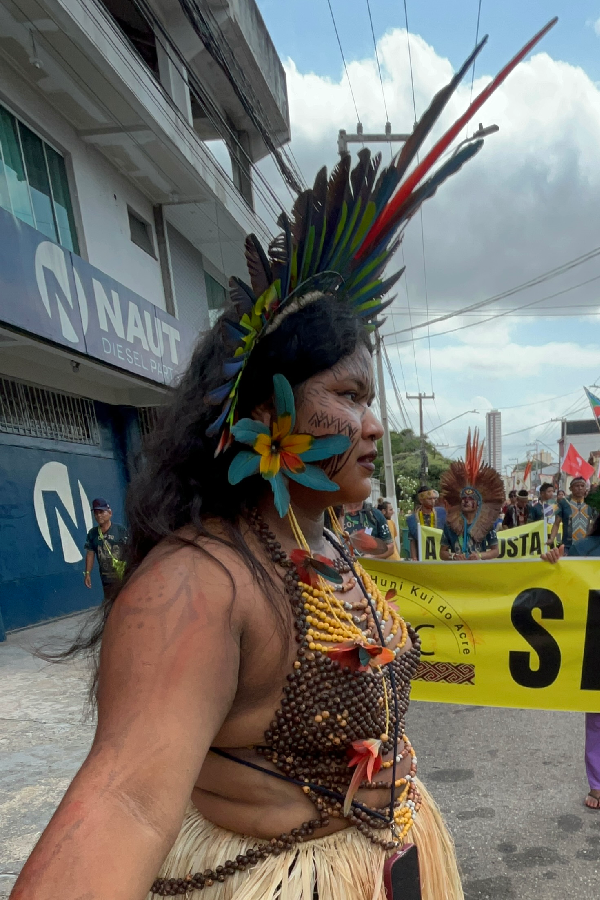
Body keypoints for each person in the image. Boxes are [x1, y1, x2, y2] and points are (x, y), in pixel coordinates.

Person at [11, 125, 489, 900]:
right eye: (351, 396)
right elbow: (124, 804)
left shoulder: (324, 542)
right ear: (265, 413)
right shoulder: (199, 586)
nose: (374, 426)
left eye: (373, 401)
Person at [542, 490, 600, 809]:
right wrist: (553, 563)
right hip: (594, 642)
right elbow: (551, 582)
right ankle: (598, 785)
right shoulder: (583, 548)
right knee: (598, 715)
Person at [439, 430, 504, 561]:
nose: (466, 501)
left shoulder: (486, 523)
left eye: (470, 499)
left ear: (478, 503)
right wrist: (453, 556)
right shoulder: (450, 523)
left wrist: (479, 556)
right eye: (464, 499)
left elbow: (495, 551)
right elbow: (442, 553)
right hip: (456, 571)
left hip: (478, 571)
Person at [83, 498, 128, 601]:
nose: (99, 516)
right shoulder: (92, 533)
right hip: (106, 579)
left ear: (110, 513)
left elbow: (129, 550)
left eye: (102, 512)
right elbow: (90, 554)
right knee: (109, 604)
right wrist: (87, 573)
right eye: (96, 513)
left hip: (122, 577)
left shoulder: (120, 531)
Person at [406, 486, 447, 560]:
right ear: (421, 500)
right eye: (429, 499)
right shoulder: (413, 519)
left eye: (434, 499)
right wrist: (414, 558)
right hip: (422, 556)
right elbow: (412, 540)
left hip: (440, 556)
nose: (433, 501)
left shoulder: (441, 514)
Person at [565, 476, 596, 546]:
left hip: (587, 544)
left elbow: (596, 522)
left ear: (586, 489)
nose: (580, 488)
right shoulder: (564, 503)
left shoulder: (591, 504)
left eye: (582, 486)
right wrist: (551, 538)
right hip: (568, 545)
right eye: (577, 486)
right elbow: (556, 523)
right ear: (570, 488)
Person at [539, 482, 570, 547]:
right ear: (542, 493)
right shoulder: (536, 507)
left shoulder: (554, 506)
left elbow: (556, 522)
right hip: (540, 537)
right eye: (549, 491)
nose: (551, 494)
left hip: (553, 539)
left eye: (552, 491)